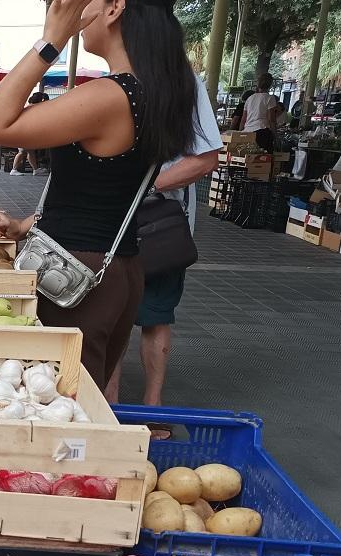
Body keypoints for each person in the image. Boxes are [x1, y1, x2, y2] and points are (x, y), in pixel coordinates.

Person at [0, 0, 197, 388]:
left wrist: (50, 42)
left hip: (74, 279)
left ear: (113, 9)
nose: (76, 11)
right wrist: (27, 225)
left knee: (60, 403)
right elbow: (101, 189)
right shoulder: (153, 92)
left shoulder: (112, 95)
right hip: (115, 269)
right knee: (73, 400)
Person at [105, 74, 222, 417]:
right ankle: (110, 404)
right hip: (112, 219)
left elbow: (204, 158)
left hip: (161, 224)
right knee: (112, 314)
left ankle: (152, 408)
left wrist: (145, 187)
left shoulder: (182, 82)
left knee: (155, 315)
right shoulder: (111, 80)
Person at [10, 92, 50, 174]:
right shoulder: (35, 108)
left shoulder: (28, 107)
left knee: (30, 152)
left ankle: (35, 169)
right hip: (24, 133)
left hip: (22, 132)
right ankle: (14, 170)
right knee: (22, 152)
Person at [241, 73, 279, 151]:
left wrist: (240, 133)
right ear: (270, 85)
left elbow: (243, 119)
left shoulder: (250, 98)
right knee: (263, 160)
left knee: (248, 159)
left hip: (247, 131)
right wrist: (275, 136)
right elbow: (271, 119)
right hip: (262, 131)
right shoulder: (270, 98)